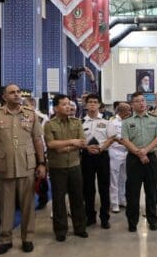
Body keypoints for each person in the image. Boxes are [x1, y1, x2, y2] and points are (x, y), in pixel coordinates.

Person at [0, 84, 45, 254]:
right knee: (6, 206)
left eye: (18, 92)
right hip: (4, 167)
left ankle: (27, 238)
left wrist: (41, 163)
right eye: (12, 93)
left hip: (27, 165)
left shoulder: (30, 114)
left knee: (28, 205)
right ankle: (5, 239)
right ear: (4, 97)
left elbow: (37, 139)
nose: (16, 95)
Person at [44, 94, 88, 241]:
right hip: (57, 167)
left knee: (77, 198)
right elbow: (51, 144)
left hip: (75, 165)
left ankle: (80, 227)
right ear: (56, 107)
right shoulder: (50, 125)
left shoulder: (76, 122)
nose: (68, 106)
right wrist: (71, 142)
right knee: (58, 200)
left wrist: (64, 147)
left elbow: (82, 142)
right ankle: (60, 230)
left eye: (69, 104)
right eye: (64, 104)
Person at [120, 91, 157, 233]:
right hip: (133, 160)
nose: (141, 103)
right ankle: (132, 222)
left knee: (151, 192)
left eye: (143, 100)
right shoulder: (127, 121)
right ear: (132, 105)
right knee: (133, 193)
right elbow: (125, 140)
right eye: (137, 101)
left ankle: (152, 221)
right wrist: (139, 153)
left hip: (151, 158)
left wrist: (145, 151)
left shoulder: (154, 119)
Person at [80, 94, 113, 229]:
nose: (92, 104)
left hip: (102, 156)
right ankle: (90, 216)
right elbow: (79, 140)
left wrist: (100, 149)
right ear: (86, 105)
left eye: (95, 102)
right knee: (88, 188)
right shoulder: (80, 122)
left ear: (99, 105)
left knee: (104, 188)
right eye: (90, 102)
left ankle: (104, 217)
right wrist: (87, 147)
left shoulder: (106, 121)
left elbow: (111, 138)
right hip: (86, 156)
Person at [106, 102, 131, 214]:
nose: (130, 112)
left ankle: (122, 200)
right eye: (128, 110)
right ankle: (115, 203)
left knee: (124, 178)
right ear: (121, 111)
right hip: (115, 152)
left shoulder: (128, 121)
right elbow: (111, 137)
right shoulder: (112, 122)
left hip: (126, 152)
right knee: (114, 179)